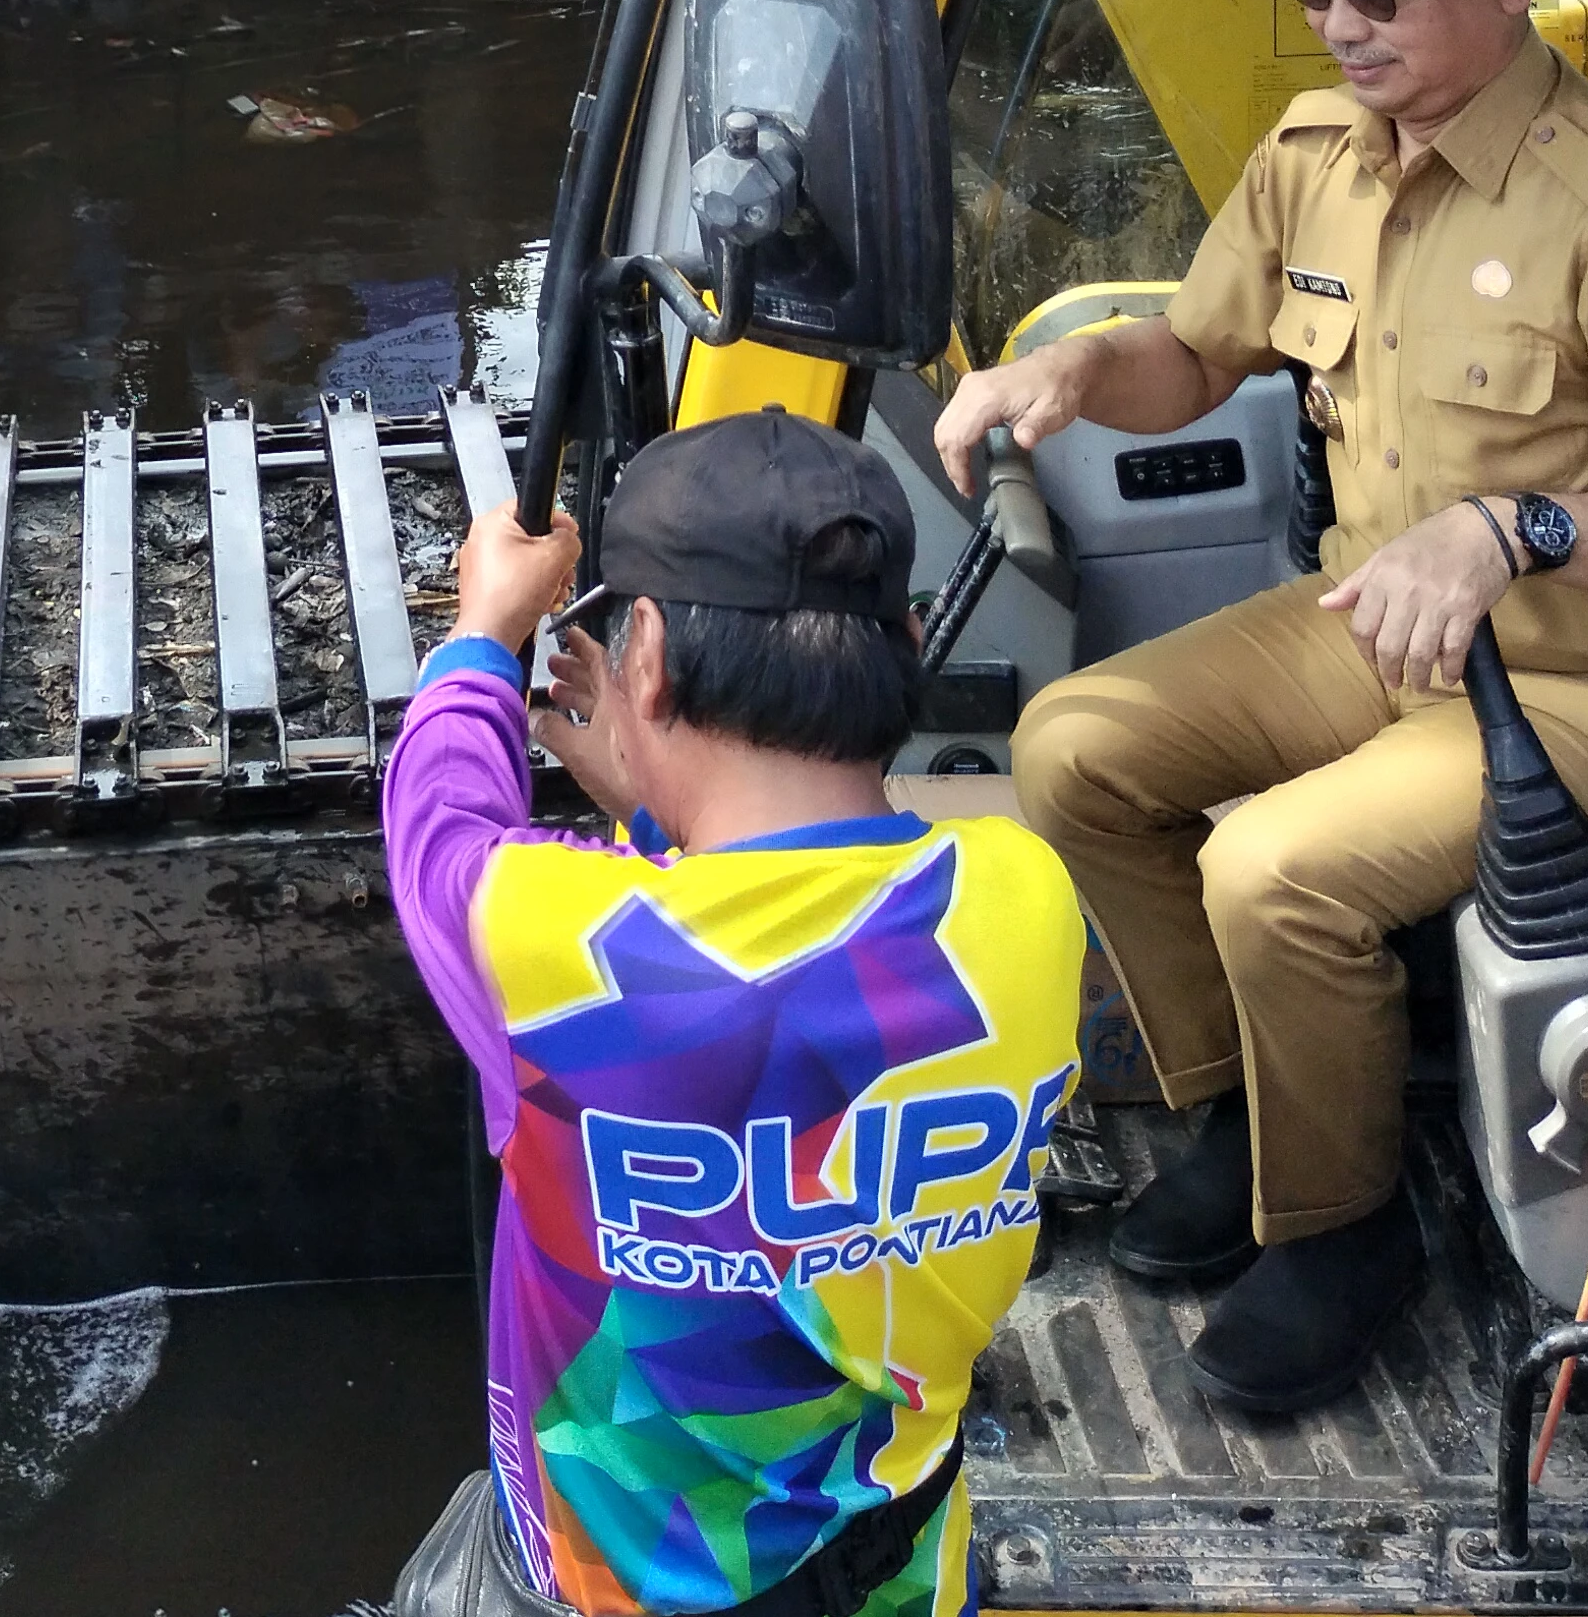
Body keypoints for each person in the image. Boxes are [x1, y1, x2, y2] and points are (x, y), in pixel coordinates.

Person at [945, 0, 1588, 1417]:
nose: (1335, 23)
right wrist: (1062, 371)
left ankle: (1340, 1231)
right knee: (1072, 745)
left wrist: (1512, 529)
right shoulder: (1316, 150)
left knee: (1274, 867)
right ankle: (1246, 1120)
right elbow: (1192, 352)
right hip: (1380, 632)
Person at [379, 415, 1085, 1617]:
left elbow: (436, 821)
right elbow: (790, 945)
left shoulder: (555, 946)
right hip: (900, 1576)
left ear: (641, 654)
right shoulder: (1023, 899)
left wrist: (483, 631)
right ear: (907, 644)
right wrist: (659, 807)